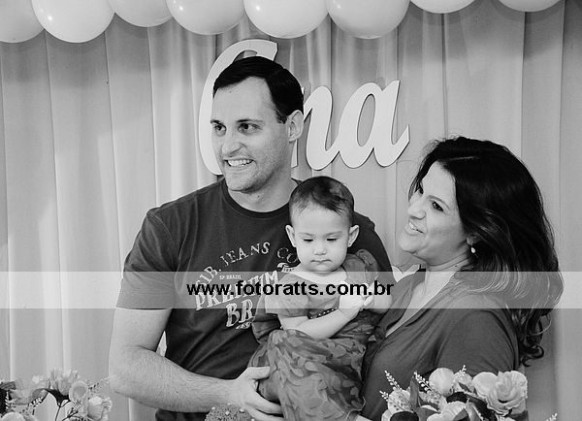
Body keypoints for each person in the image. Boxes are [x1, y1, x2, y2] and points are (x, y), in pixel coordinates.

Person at [108, 56, 392, 421]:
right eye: (219, 128)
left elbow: (386, 346)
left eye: (247, 127)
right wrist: (227, 394)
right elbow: (125, 366)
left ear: (292, 126)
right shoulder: (171, 227)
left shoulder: (349, 233)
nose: (228, 146)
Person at [360, 136, 563, 421]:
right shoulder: (407, 286)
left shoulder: (476, 318)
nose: (413, 209)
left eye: (436, 206)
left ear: (476, 231)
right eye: (420, 191)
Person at [244, 176, 393, 421]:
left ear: (351, 236)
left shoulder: (359, 266)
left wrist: (370, 299)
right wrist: (343, 314)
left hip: (348, 360)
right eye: (308, 239)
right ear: (293, 236)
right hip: (303, 363)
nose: (320, 249)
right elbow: (297, 333)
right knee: (285, 346)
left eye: (332, 239)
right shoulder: (290, 286)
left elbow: (387, 302)